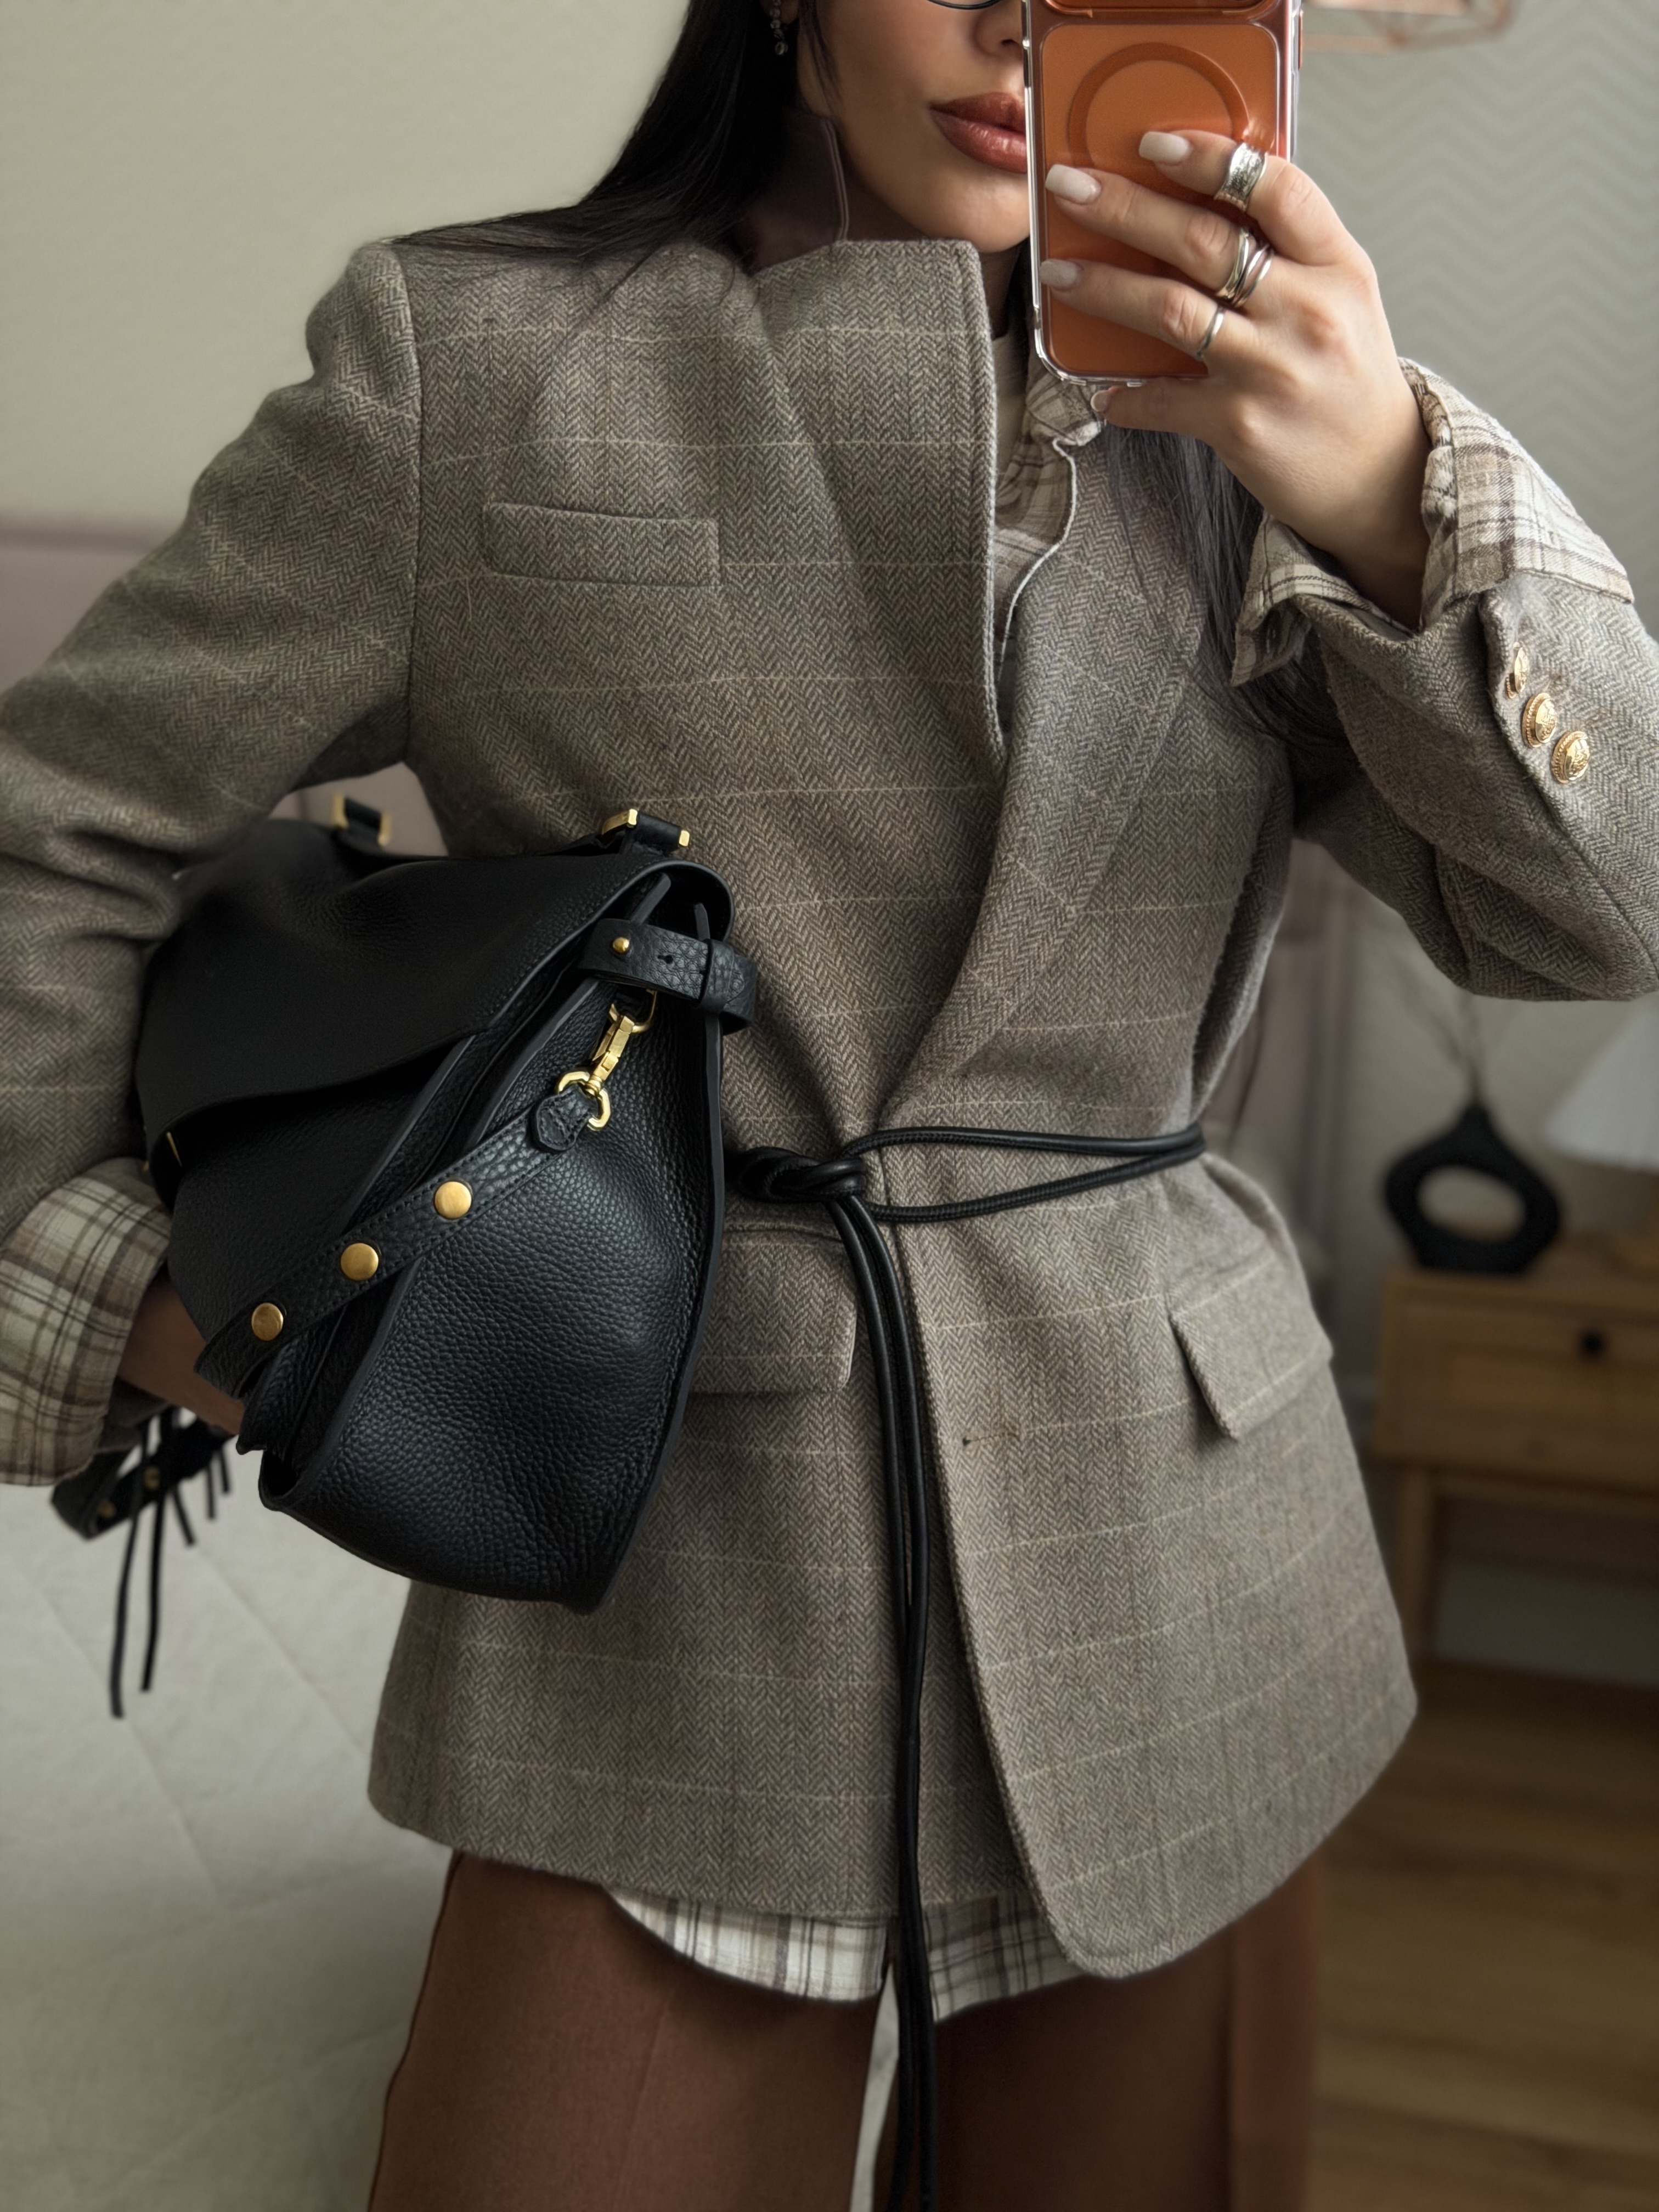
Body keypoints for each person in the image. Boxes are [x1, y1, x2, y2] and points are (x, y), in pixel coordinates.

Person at [2, 1, 1652, 2206]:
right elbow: (58, 820)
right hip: (659, 1562)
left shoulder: (1274, 418)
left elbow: (1608, 909)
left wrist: (1390, 487)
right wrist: (119, 1277)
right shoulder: (470, 368)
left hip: (1180, 1568)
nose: (1017, 17)